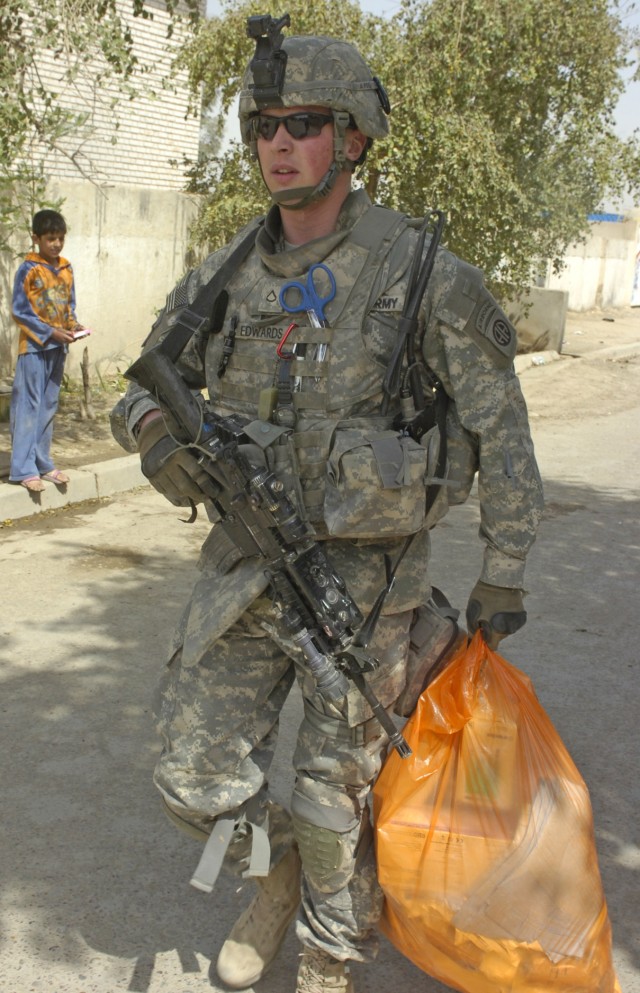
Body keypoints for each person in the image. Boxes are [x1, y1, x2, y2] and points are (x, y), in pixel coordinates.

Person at [111, 15, 544, 993]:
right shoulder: (226, 273)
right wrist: (158, 440)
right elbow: (138, 384)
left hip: (367, 584)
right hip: (244, 571)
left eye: (302, 122)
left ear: (352, 138)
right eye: (262, 123)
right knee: (190, 778)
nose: (276, 143)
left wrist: (503, 569)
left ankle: (323, 958)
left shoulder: (422, 275)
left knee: (329, 787)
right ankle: (282, 874)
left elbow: (500, 428)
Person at [9, 208, 87, 491]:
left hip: (59, 348)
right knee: (28, 405)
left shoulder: (66, 268)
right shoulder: (28, 269)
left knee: (49, 405)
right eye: (50, 238)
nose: (56, 244)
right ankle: (22, 469)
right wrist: (49, 332)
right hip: (33, 348)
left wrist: (73, 327)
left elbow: (69, 306)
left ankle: (44, 464)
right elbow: (19, 311)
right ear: (36, 238)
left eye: (60, 238)